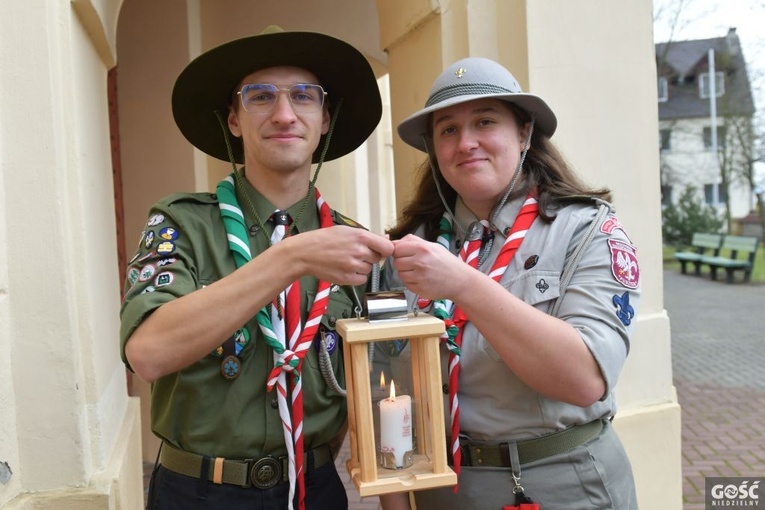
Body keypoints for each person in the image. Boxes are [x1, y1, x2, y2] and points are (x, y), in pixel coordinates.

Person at [120, 26, 394, 510]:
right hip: (198, 493)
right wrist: (291, 257)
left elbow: (381, 388)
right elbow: (148, 353)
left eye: (304, 97)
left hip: (317, 488)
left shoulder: (354, 245)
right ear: (233, 119)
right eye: (260, 96)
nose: (284, 114)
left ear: (325, 118)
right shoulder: (181, 222)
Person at [380, 57, 641, 509]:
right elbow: (386, 386)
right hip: (445, 488)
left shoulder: (587, 229)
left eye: (485, 121)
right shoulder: (410, 248)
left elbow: (584, 380)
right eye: (447, 130)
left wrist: (463, 283)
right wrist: (396, 499)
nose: (466, 143)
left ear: (523, 133)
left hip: (563, 485)